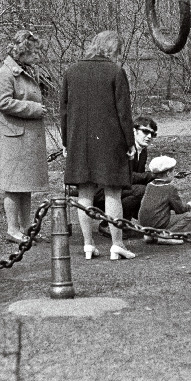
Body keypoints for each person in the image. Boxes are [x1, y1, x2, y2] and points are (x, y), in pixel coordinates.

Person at [60, 30, 137, 260]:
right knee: (113, 192)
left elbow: (64, 111)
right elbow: (124, 112)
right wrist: (130, 142)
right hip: (110, 142)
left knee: (84, 192)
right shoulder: (115, 72)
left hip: (79, 142)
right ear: (113, 49)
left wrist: (66, 141)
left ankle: (87, 245)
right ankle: (117, 244)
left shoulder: (71, 71)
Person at [0, 30, 50, 244]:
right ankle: (13, 229)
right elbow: (3, 103)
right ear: (22, 51)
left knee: (26, 186)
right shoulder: (6, 73)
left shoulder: (26, 70)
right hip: (13, 138)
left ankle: (25, 228)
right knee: (13, 187)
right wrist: (33, 108)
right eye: (33, 52)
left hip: (24, 138)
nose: (37, 56)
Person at [95, 115, 158, 238]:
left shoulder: (143, 150)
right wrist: (149, 176)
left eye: (153, 134)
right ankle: (107, 224)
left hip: (121, 189)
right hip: (103, 191)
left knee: (148, 189)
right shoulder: (123, 147)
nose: (149, 137)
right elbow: (123, 176)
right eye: (145, 131)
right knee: (141, 190)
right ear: (134, 131)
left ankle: (123, 223)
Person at [138, 156, 191, 245]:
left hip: (143, 222)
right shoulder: (170, 188)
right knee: (187, 216)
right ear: (168, 173)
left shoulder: (149, 185)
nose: (174, 173)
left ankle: (150, 235)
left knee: (160, 213)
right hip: (158, 223)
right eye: (173, 171)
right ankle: (165, 236)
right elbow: (180, 210)